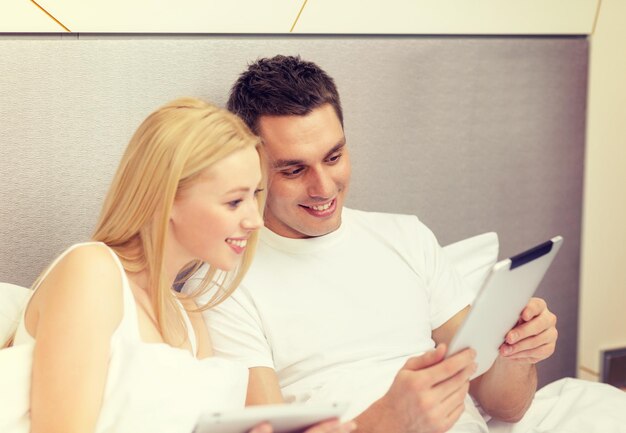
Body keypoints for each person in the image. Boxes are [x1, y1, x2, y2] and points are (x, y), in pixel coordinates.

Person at [183, 55, 602, 433]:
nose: (324, 187)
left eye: (334, 157)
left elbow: (505, 407)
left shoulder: (407, 238)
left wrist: (518, 353)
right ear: (252, 167)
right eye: (294, 170)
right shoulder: (225, 283)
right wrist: (388, 421)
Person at [0, 97, 355, 433]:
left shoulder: (188, 317)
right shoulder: (92, 271)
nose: (254, 220)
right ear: (167, 199)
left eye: (255, 195)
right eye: (234, 202)